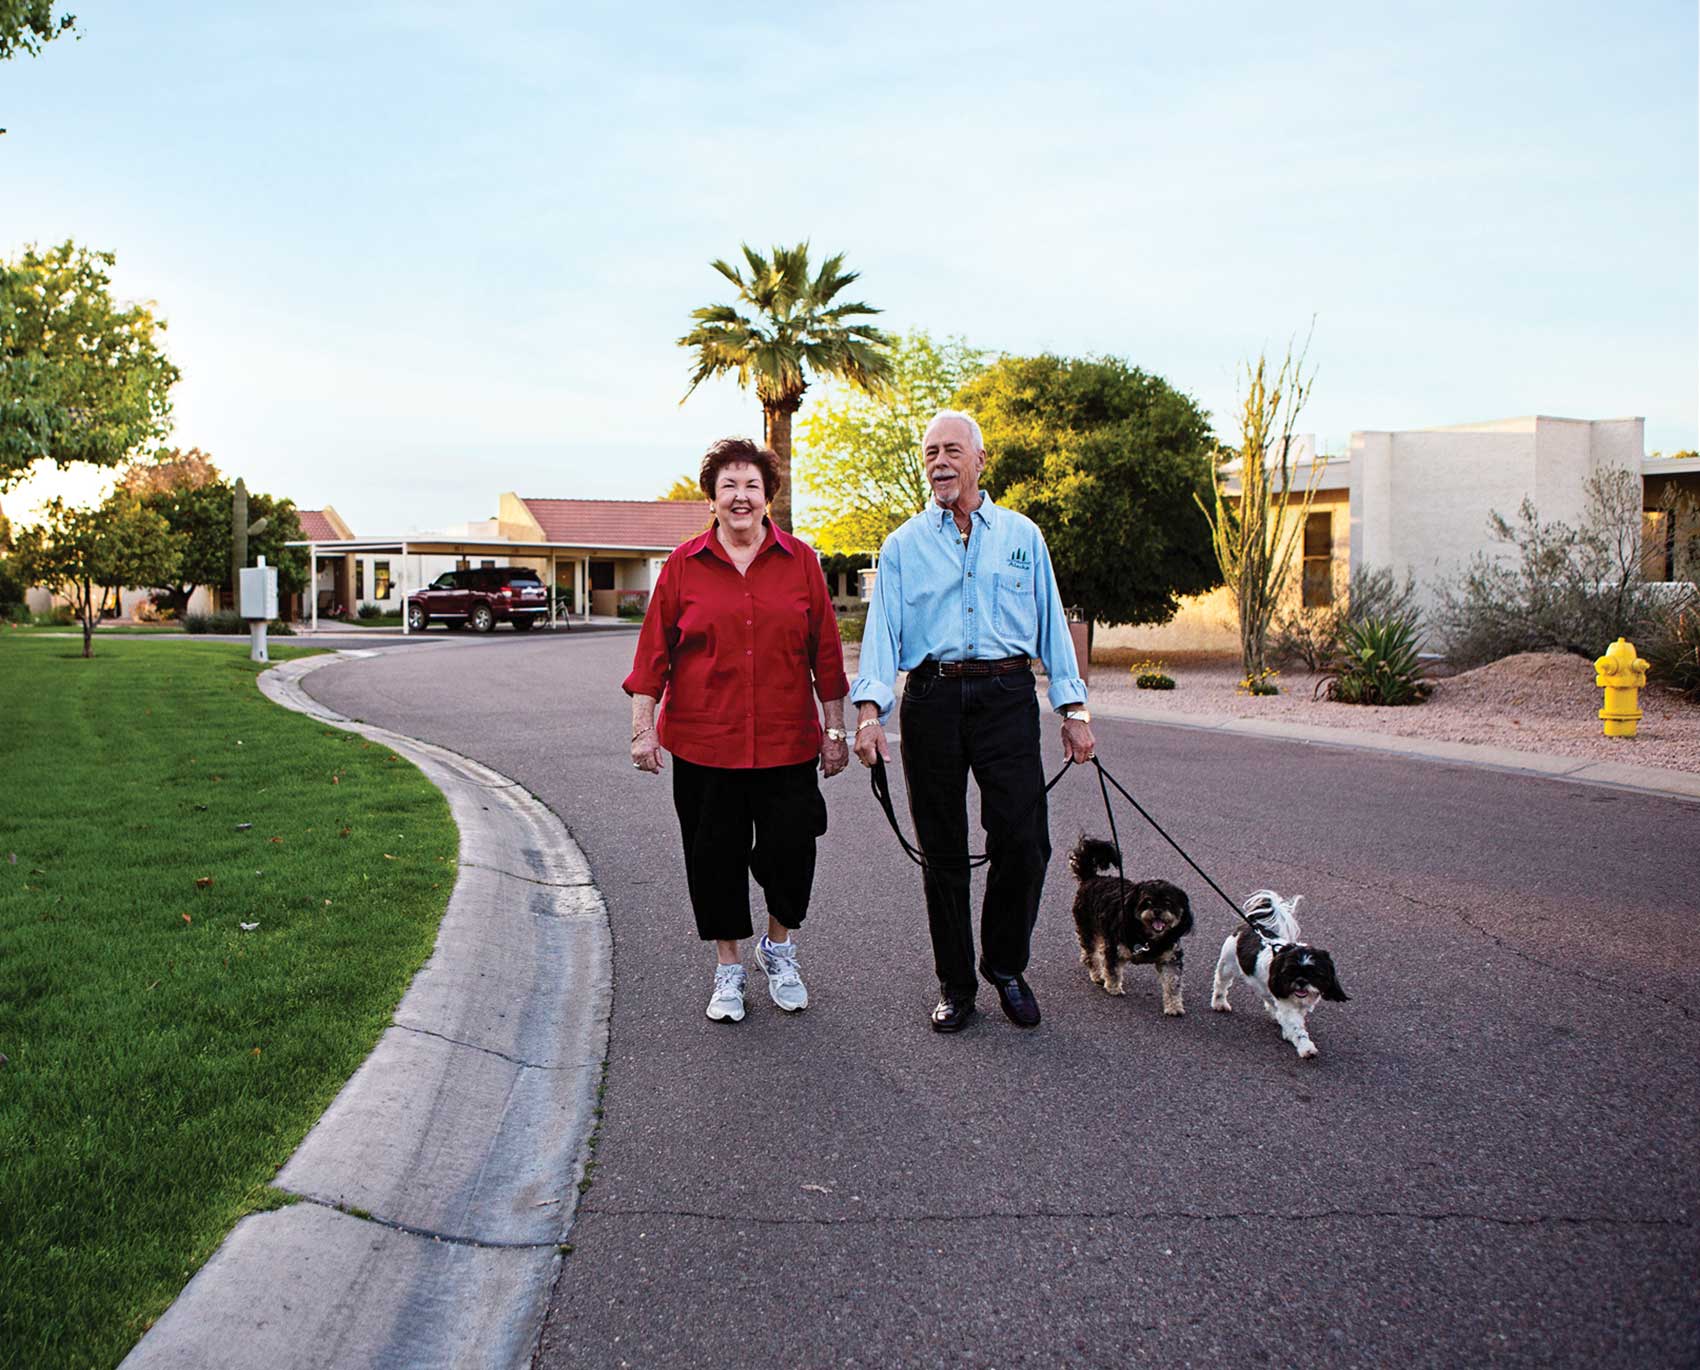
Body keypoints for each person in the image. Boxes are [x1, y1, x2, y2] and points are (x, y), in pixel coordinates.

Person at [851, 410, 1095, 1033]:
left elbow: (1051, 629)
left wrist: (1073, 710)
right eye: (930, 451)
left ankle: (1006, 965)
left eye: (952, 450)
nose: (939, 461)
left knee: (1026, 840)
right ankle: (956, 985)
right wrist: (870, 713)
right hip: (932, 699)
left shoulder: (1022, 537)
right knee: (942, 850)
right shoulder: (903, 544)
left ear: (980, 460)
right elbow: (881, 634)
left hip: (1007, 695)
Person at [626, 437, 851, 1024]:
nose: (741, 496)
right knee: (713, 858)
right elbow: (653, 654)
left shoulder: (801, 560)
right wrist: (642, 730)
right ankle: (728, 968)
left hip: (786, 742)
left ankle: (778, 950)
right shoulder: (682, 565)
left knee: (791, 853)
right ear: (712, 499)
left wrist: (835, 730)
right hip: (705, 745)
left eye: (751, 485)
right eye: (729, 486)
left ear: (767, 496)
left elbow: (825, 652)